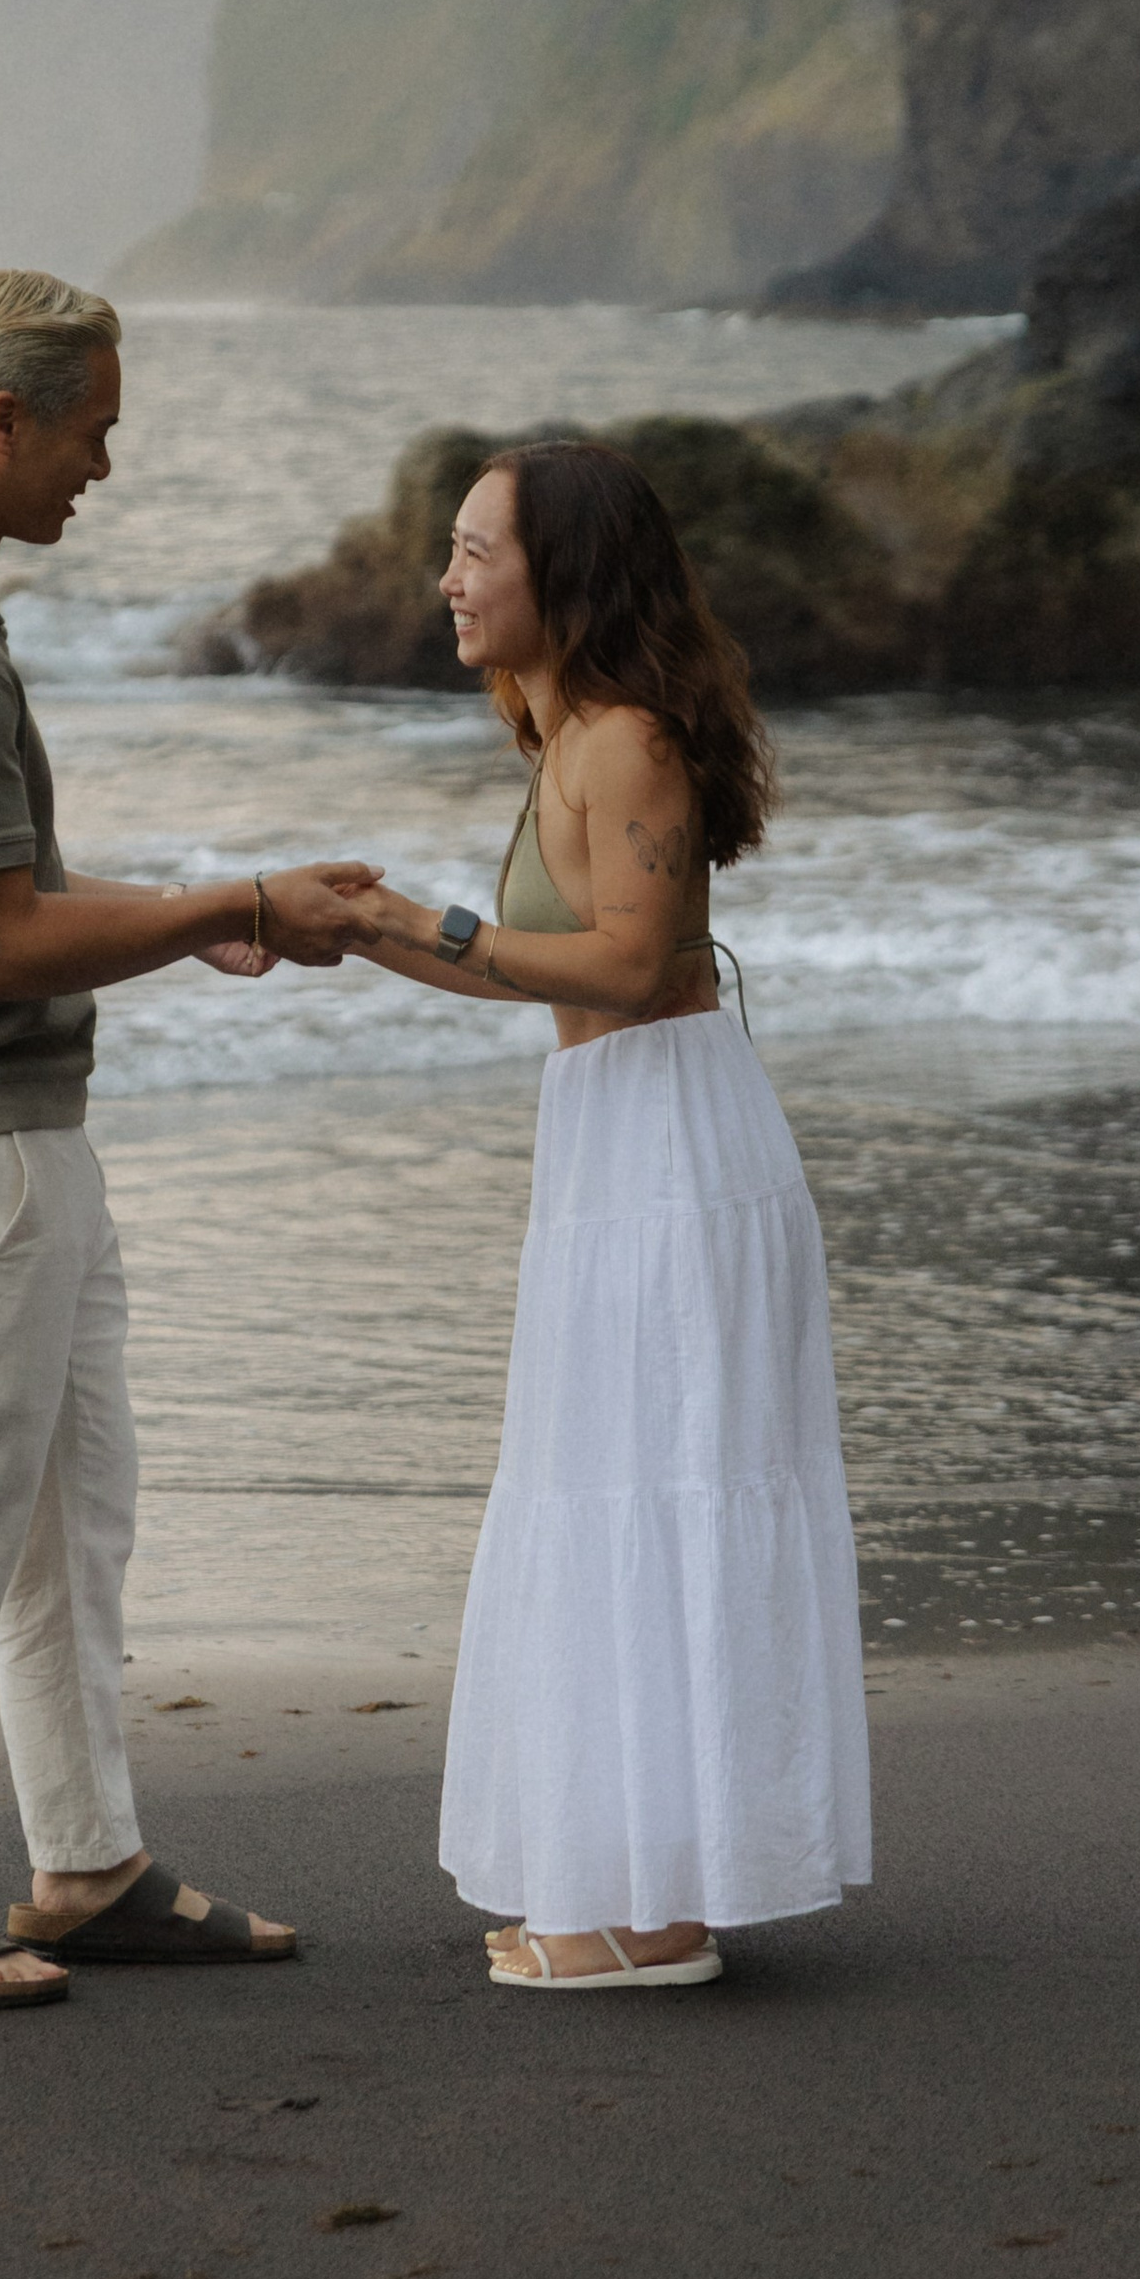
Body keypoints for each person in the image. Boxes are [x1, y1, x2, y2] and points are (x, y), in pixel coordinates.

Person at [0, 269, 374, 2010]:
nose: (104, 467)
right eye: (92, 431)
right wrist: (233, 904)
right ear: (2, 419)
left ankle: (86, 1864)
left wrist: (201, 916)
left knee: (65, 1520)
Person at [331, 438, 871, 1989]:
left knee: (656, 1487)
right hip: (619, 1139)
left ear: (559, 573)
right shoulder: (564, 736)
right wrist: (353, 931)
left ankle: (656, 1916)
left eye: (473, 551)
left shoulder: (625, 741)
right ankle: (641, 1880)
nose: (446, 579)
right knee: (616, 1482)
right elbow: (535, 967)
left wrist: (423, 918)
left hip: (673, 1154)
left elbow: (630, 966)